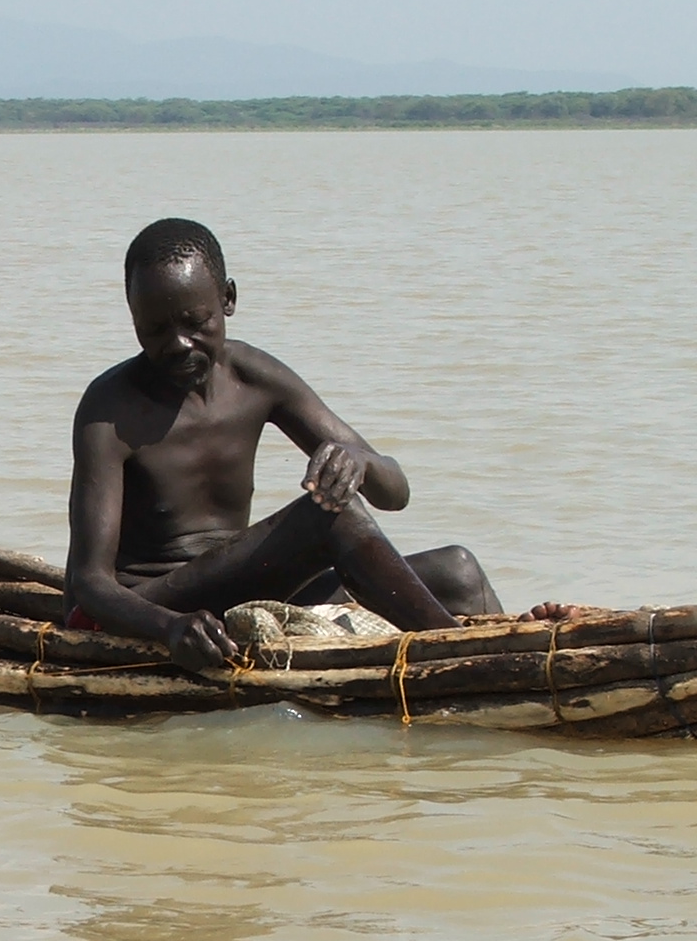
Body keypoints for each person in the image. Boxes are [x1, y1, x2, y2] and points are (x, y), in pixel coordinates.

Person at [66, 218, 560, 674]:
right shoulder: (109, 410)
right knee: (328, 514)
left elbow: (395, 492)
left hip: (248, 589)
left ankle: (501, 659)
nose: (178, 344)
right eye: (155, 329)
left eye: (195, 322)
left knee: (458, 571)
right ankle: (469, 662)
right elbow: (89, 583)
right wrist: (169, 626)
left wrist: (358, 462)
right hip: (157, 603)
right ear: (132, 317)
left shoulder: (254, 377)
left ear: (228, 299)